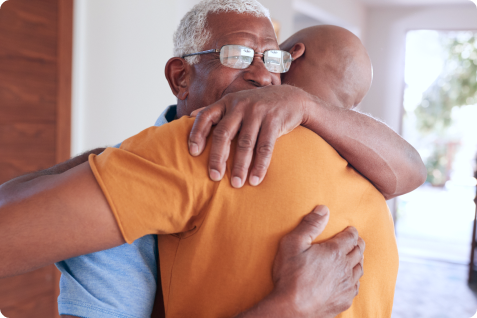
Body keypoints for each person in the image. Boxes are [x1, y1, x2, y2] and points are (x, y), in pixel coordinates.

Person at [0, 1, 425, 317]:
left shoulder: (358, 159)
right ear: (180, 77)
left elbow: (413, 168)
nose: (261, 76)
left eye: (271, 59)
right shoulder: (182, 153)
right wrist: (291, 307)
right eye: (236, 55)